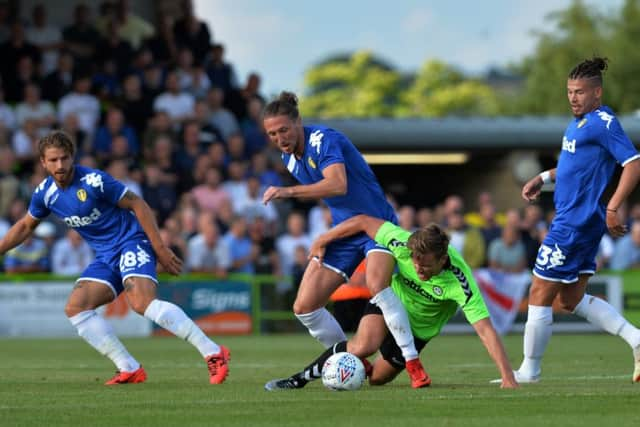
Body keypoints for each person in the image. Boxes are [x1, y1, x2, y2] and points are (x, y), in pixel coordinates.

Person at [0, 131, 230, 385]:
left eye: (65, 158)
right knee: (76, 308)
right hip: (106, 255)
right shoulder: (44, 194)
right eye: (53, 160)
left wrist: (160, 249)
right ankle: (129, 367)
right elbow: (24, 227)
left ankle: (213, 352)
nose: (60, 165)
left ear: (72, 157)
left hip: (132, 241)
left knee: (141, 303)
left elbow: (138, 205)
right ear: (43, 162)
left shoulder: (95, 181)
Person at [262, 91, 429, 388]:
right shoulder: (288, 158)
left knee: (376, 285)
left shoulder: (323, 140)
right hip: (346, 230)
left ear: (298, 121)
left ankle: (413, 362)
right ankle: (353, 361)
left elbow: (338, 185)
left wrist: (287, 192)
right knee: (305, 306)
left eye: (284, 130)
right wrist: (329, 235)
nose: (279, 138)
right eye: (272, 134)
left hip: (377, 226)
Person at [264, 216, 518, 390]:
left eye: (426, 265)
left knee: (375, 379)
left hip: (418, 329)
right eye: (415, 262)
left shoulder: (461, 282)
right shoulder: (402, 242)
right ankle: (298, 380)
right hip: (390, 303)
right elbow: (363, 221)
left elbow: (485, 330)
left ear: (442, 260)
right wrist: (324, 238)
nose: (418, 268)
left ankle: (357, 368)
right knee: (363, 345)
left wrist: (508, 377)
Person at [513, 57, 640, 383]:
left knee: (539, 291)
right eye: (570, 91)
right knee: (569, 299)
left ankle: (530, 371)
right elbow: (573, 168)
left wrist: (613, 207)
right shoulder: (581, 123)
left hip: (573, 224)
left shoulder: (602, 122)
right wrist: (544, 177)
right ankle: (637, 340)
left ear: (597, 92)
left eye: (580, 92)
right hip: (581, 223)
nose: (573, 97)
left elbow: (633, 164)